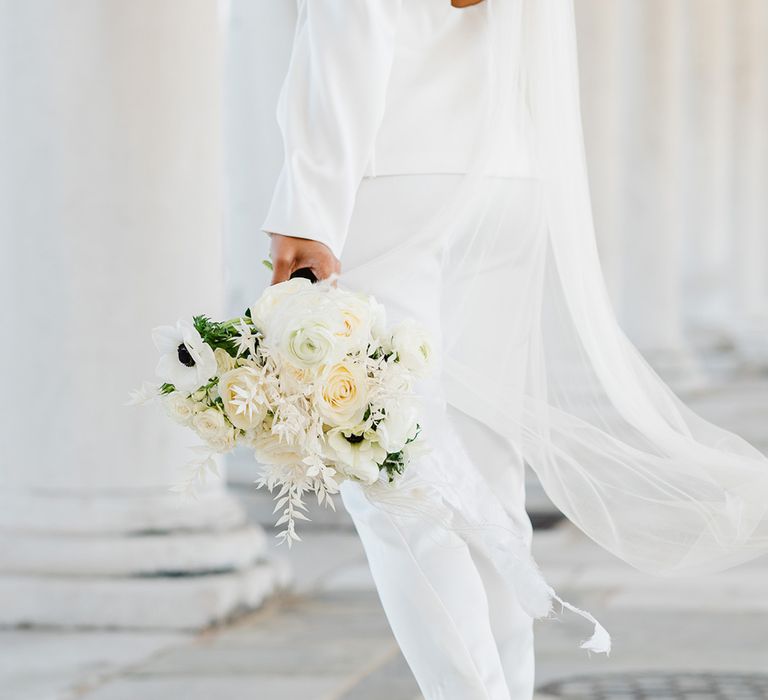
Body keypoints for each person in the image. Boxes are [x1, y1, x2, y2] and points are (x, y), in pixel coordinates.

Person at [262, 2, 768, 698]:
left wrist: (307, 208)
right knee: (483, 465)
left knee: (386, 468)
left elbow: (352, 19)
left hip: (392, 174)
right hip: (505, 177)